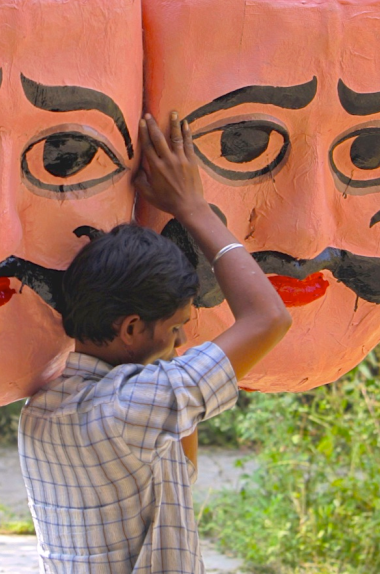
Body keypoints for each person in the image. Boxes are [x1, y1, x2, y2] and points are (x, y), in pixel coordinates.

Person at [18, 111, 292, 573]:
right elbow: (269, 318)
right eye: (175, 327)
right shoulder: (129, 407)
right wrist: (193, 208)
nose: (183, 338)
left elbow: (179, 471)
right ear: (129, 330)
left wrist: (163, 341)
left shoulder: (41, 409)